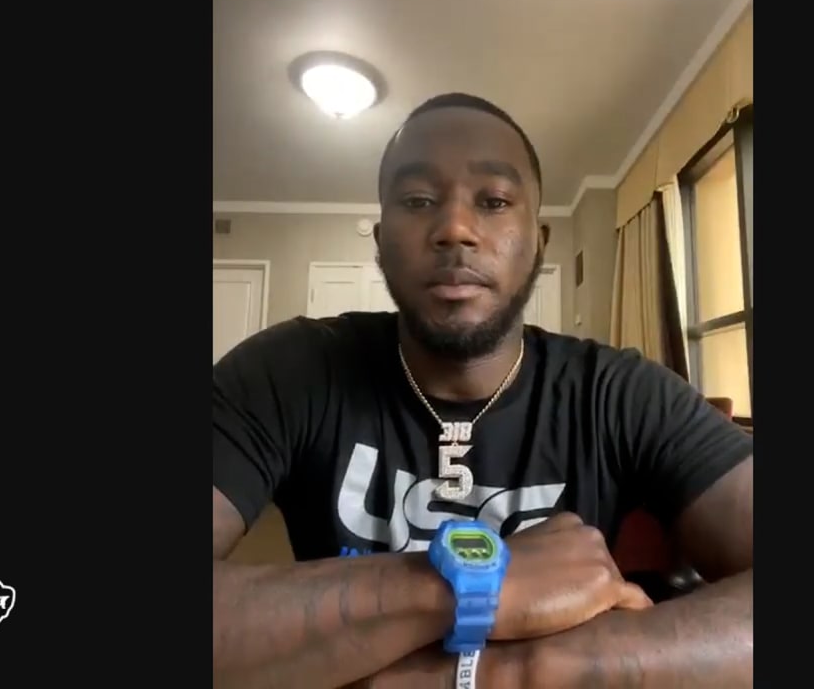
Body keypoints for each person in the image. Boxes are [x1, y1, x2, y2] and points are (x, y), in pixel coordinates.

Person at [212, 93, 753, 688]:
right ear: (380, 242)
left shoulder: (620, 392)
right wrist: (466, 585)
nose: (454, 229)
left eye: (493, 201)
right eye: (418, 201)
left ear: (539, 242)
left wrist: (523, 670)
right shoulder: (289, 369)